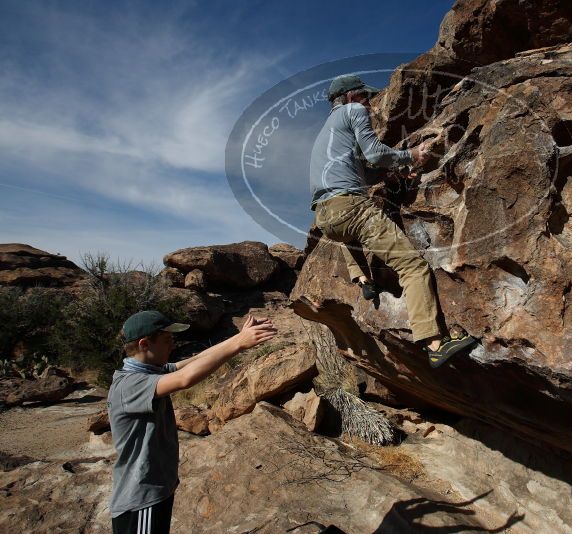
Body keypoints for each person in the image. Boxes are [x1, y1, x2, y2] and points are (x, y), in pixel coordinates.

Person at [309, 74, 477, 368]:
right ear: (351, 97)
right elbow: (375, 153)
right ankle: (434, 344)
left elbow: (367, 164)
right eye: (365, 97)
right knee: (413, 266)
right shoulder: (354, 111)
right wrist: (412, 155)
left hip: (324, 214)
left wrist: (394, 168)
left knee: (347, 231)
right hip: (349, 205)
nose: (369, 104)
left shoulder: (329, 129)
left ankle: (361, 278)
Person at [107, 310, 277, 533]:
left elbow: (195, 361)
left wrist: (239, 338)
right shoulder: (129, 384)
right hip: (140, 499)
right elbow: (185, 379)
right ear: (144, 344)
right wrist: (238, 345)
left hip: (156, 491)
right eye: (167, 340)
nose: (172, 345)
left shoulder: (150, 371)